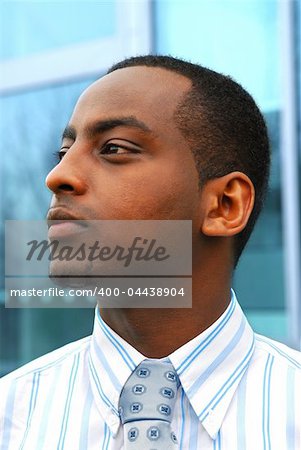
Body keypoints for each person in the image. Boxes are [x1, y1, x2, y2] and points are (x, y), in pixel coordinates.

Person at [0, 55, 300, 450]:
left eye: (114, 149)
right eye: (63, 152)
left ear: (225, 205)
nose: (57, 176)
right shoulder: (10, 418)